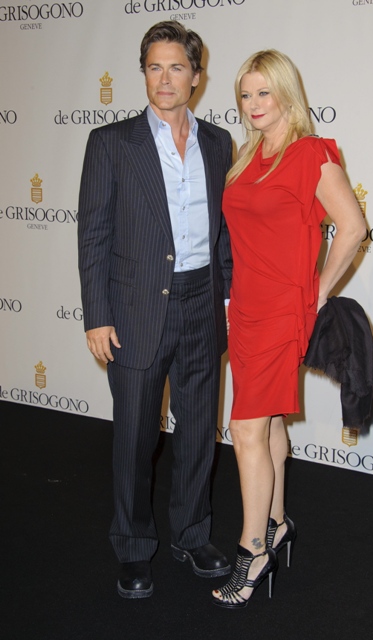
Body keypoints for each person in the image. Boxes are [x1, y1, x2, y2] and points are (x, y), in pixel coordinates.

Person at [78, 21, 232, 599]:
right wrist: (97, 314)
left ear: (196, 76)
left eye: (176, 68)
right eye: (154, 67)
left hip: (202, 304)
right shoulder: (111, 142)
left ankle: (192, 535)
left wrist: (227, 300)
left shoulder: (218, 143)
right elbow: (93, 235)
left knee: (197, 432)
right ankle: (133, 546)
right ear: (144, 73)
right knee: (135, 437)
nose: (164, 79)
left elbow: (223, 233)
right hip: (136, 309)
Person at [212, 50, 366, 608]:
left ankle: (252, 551)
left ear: (286, 94)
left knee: (245, 430)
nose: (253, 104)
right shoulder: (246, 158)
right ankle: (275, 526)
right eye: (245, 94)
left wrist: (316, 291)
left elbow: (353, 227)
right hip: (246, 309)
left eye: (264, 92)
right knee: (269, 418)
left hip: (281, 312)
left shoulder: (310, 155)